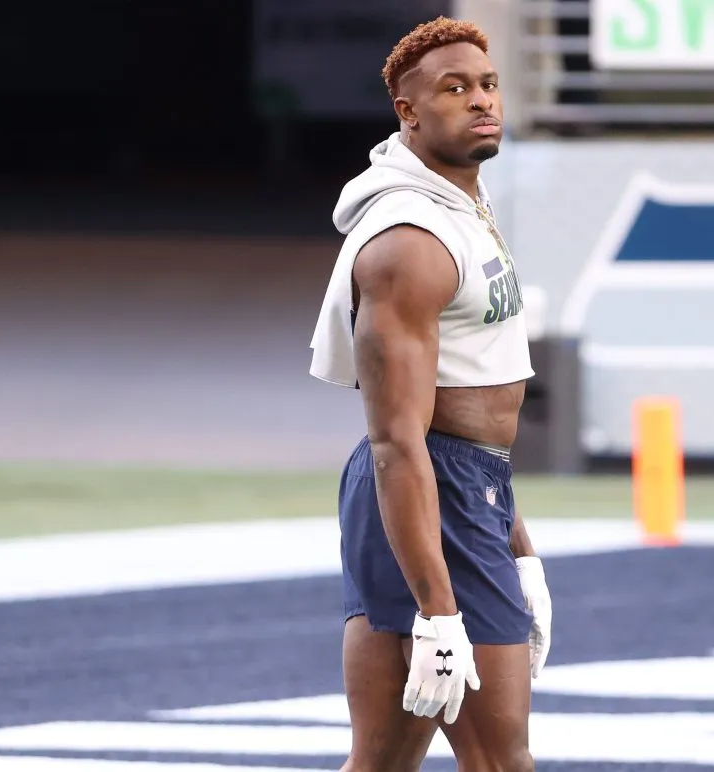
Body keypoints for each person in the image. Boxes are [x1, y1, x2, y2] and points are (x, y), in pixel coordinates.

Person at [308, 15, 553, 772]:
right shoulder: (409, 241)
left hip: (461, 488)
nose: (481, 101)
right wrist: (441, 612)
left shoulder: (458, 203)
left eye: (487, 85)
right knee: (500, 763)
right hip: (427, 495)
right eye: (454, 89)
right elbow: (401, 440)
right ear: (408, 113)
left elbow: (469, 405)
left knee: (381, 765)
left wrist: (520, 548)